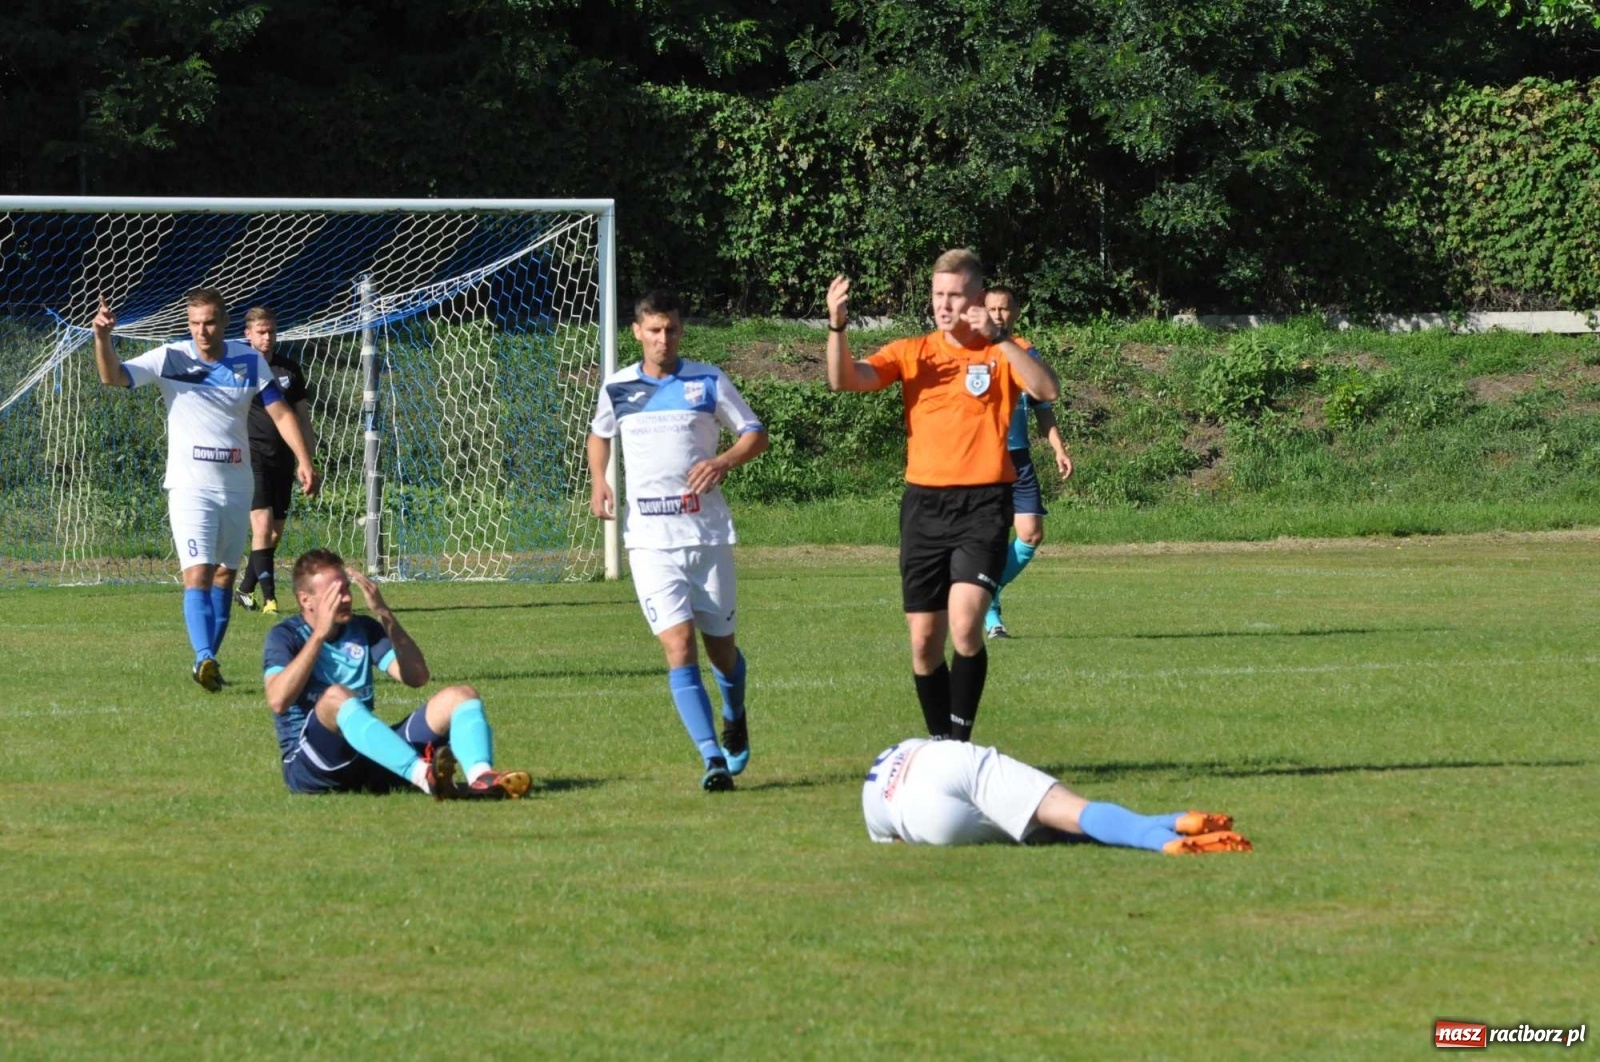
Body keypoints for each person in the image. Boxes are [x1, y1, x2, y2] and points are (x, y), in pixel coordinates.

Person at [825, 251, 1059, 742]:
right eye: (938, 295)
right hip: (924, 508)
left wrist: (999, 338)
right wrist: (838, 328)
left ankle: (959, 745)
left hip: (983, 505)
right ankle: (941, 744)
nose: (944, 305)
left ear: (976, 300)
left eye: (954, 295)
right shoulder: (913, 352)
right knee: (923, 643)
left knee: (966, 625)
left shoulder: (1001, 351)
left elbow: (1047, 389)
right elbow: (844, 379)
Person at [587, 290, 769, 792]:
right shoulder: (618, 387)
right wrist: (599, 480)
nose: (662, 339)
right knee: (678, 645)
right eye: (654, 330)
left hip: (706, 537)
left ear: (680, 332)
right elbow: (600, 434)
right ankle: (712, 758)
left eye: (671, 330)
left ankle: (734, 713)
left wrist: (723, 461)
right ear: (637, 331)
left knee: (722, 652)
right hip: (648, 540)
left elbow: (755, 433)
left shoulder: (707, 380)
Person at [92, 288, 317, 693]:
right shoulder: (170, 357)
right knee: (196, 572)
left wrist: (304, 458)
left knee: (224, 576)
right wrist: (103, 339)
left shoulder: (248, 360)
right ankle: (203, 656)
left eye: (209, 322)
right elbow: (113, 376)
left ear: (226, 322)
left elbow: (281, 412)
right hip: (189, 486)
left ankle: (208, 664)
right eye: (195, 323)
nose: (202, 330)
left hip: (237, 485)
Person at [264, 547, 531, 798]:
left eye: (347, 588)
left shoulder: (362, 628)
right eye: (335, 592)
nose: (346, 598)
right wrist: (319, 635)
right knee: (336, 697)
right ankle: (426, 777)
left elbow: (417, 677)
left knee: (461, 696)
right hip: (311, 767)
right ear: (306, 600)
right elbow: (278, 700)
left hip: (366, 759)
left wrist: (384, 614)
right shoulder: (285, 636)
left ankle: (481, 778)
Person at [863, 737, 1253, 852]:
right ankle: (1163, 834)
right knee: (1070, 812)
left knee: (1045, 831)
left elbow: (893, 843)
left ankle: (1167, 826)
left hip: (913, 813)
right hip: (947, 760)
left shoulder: (871, 805)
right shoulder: (916, 746)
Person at [980, 286, 1073, 639]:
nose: (998, 315)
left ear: (1016, 312)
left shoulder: (1024, 352)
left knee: (1031, 533)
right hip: (983, 462)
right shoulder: (971, 351)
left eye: (1004, 309)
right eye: (991, 308)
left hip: (1018, 459)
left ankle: (986, 592)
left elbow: (1043, 406)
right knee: (989, 539)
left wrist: (1058, 448)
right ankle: (991, 617)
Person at [234, 306, 316, 616]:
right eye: (261, 332)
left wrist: (305, 459)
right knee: (262, 526)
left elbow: (302, 419)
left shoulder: (289, 369)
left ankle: (244, 590)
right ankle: (270, 600)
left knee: (273, 535)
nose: (267, 337)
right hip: (251, 458)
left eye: (271, 331)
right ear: (248, 335)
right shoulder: (240, 368)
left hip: (282, 459)